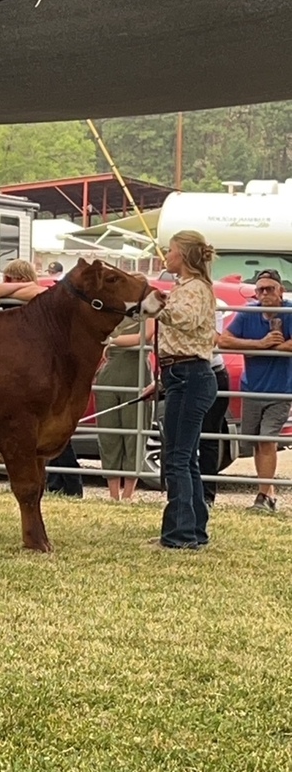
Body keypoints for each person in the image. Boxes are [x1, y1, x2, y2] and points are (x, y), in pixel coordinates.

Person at [0, 260, 83, 497]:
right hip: (19, 371)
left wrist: (20, 288)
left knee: (52, 432)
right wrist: (16, 288)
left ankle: (71, 487)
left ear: (17, 277)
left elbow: (36, 291)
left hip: (43, 371)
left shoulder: (43, 294)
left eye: (8, 279)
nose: (4, 283)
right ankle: (56, 485)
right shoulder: (18, 294)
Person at [150, 230, 218, 550]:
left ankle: (179, 534)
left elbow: (186, 321)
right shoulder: (192, 287)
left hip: (188, 375)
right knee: (185, 457)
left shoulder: (194, 290)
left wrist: (154, 306)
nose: (168, 255)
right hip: (185, 374)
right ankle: (192, 529)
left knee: (177, 457)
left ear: (184, 255)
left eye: (172, 250)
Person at [218, 268, 292, 512]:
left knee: (267, 440)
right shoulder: (248, 313)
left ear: (281, 290)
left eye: (270, 288)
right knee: (256, 443)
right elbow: (224, 340)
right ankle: (268, 492)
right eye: (260, 289)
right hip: (251, 388)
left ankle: (262, 496)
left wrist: (280, 347)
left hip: (280, 390)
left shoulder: (289, 311)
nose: (264, 294)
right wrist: (259, 345)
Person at [95, 316, 155, 501]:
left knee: (134, 433)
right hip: (110, 373)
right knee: (108, 434)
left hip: (136, 373)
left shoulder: (148, 308)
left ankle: (128, 494)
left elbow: (146, 336)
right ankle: (113, 494)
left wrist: (111, 341)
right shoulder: (111, 307)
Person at [198, 308, 230, 506]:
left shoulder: (213, 305)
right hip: (185, 373)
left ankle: (207, 495)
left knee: (209, 437)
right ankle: (183, 493)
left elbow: (214, 340)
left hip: (212, 371)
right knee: (183, 437)